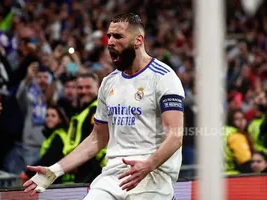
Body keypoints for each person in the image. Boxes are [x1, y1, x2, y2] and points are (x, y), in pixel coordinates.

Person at [24, 13, 184, 200]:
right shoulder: (109, 82)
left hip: (153, 176)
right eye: (109, 35)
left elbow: (176, 135)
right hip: (112, 177)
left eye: (118, 36)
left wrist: (148, 165)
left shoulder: (164, 77)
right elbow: (97, 138)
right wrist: (55, 170)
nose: (109, 42)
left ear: (138, 40)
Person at [224, 109, 254, 174]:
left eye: (242, 118)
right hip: (234, 176)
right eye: (236, 119)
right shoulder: (235, 135)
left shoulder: (223, 133)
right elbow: (245, 162)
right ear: (230, 121)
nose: (241, 122)